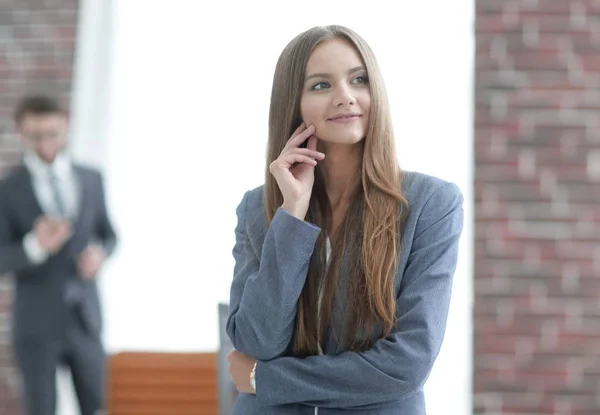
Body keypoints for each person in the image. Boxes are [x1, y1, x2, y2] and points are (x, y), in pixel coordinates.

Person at [226, 25, 464, 414]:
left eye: (358, 80)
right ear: (294, 104)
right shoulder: (258, 207)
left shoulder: (431, 204)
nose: (345, 97)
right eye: (321, 85)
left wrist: (265, 379)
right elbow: (257, 341)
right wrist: (292, 214)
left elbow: (407, 364)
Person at [0, 95, 117, 415]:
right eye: (35, 136)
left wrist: (99, 255)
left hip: (85, 319)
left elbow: (109, 236)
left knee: (97, 406)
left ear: (65, 126)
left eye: (52, 133)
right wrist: (34, 247)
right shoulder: (8, 188)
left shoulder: (91, 178)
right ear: (21, 133)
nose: (45, 143)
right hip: (36, 324)